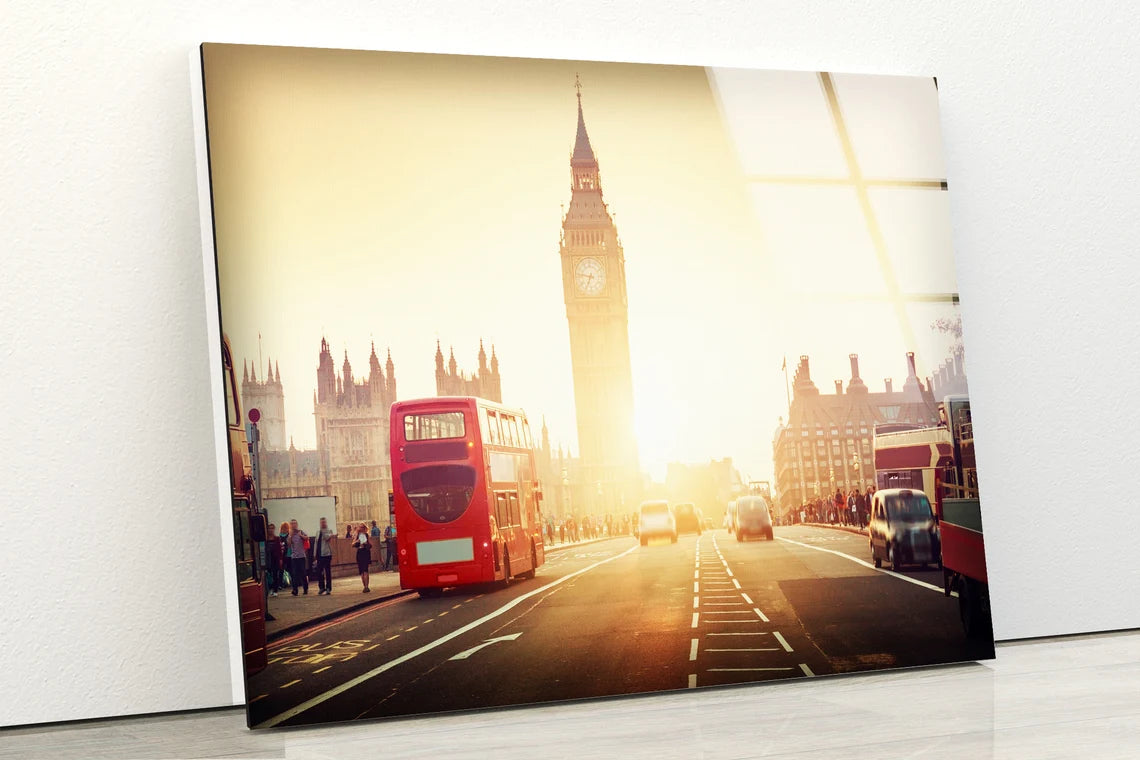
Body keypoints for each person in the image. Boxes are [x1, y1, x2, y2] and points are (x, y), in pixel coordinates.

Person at [286, 519, 309, 596]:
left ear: (297, 524)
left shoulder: (301, 531)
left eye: (295, 523)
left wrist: (301, 535)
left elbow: (307, 538)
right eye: (292, 524)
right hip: (294, 557)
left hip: (301, 556)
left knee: (303, 573)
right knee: (294, 574)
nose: (293, 525)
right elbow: (288, 545)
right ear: (290, 525)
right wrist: (291, 536)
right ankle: (295, 590)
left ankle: (305, 588)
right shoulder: (290, 534)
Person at [315, 517, 335, 595]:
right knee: (319, 572)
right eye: (321, 522)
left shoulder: (329, 531)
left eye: (324, 522)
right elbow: (316, 543)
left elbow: (327, 538)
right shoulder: (317, 532)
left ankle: (328, 588)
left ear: (326, 523)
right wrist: (314, 554)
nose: (322, 524)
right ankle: (321, 587)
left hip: (327, 554)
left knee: (327, 572)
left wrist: (323, 531)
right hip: (319, 554)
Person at [265, 523, 283, 597]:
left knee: (275, 575)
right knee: (269, 575)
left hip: (275, 558)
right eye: (269, 528)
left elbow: (279, 549)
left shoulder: (277, 538)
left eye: (272, 528)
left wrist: (280, 559)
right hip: (268, 559)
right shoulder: (265, 538)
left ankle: (275, 590)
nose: (271, 530)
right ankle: (270, 589)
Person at [355, 523, 372, 592]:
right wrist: (357, 542)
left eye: (362, 527)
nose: (361, 529)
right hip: (359, 553)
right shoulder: (357, 536)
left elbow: (370, 544)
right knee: (361, 571)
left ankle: (366, 586)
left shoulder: (366, 535)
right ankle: (364, 586)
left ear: (364, 528)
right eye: (360, 527)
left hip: (365, 552)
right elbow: (353, 544)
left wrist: (366, 543)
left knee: (365, 570)